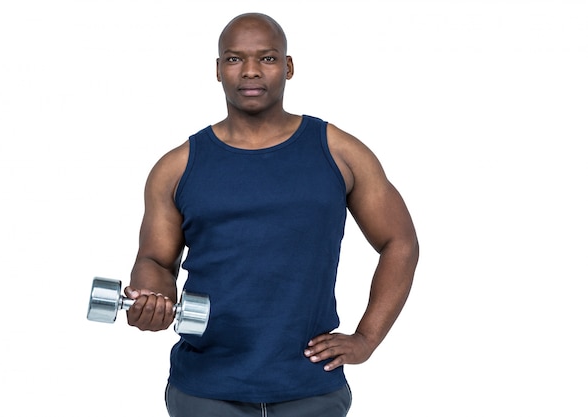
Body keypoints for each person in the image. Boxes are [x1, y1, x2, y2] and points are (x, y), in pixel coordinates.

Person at [124, 12, 419, 417]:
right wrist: (153, 299)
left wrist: (366, 338)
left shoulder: (340, 153)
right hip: (205, 391)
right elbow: (155, 260)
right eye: (233, 59)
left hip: (310, 388)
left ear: (288, 66)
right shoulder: (176, 167)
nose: (249, 71)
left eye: (266, 58)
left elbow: (399, 242)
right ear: (217, 70)